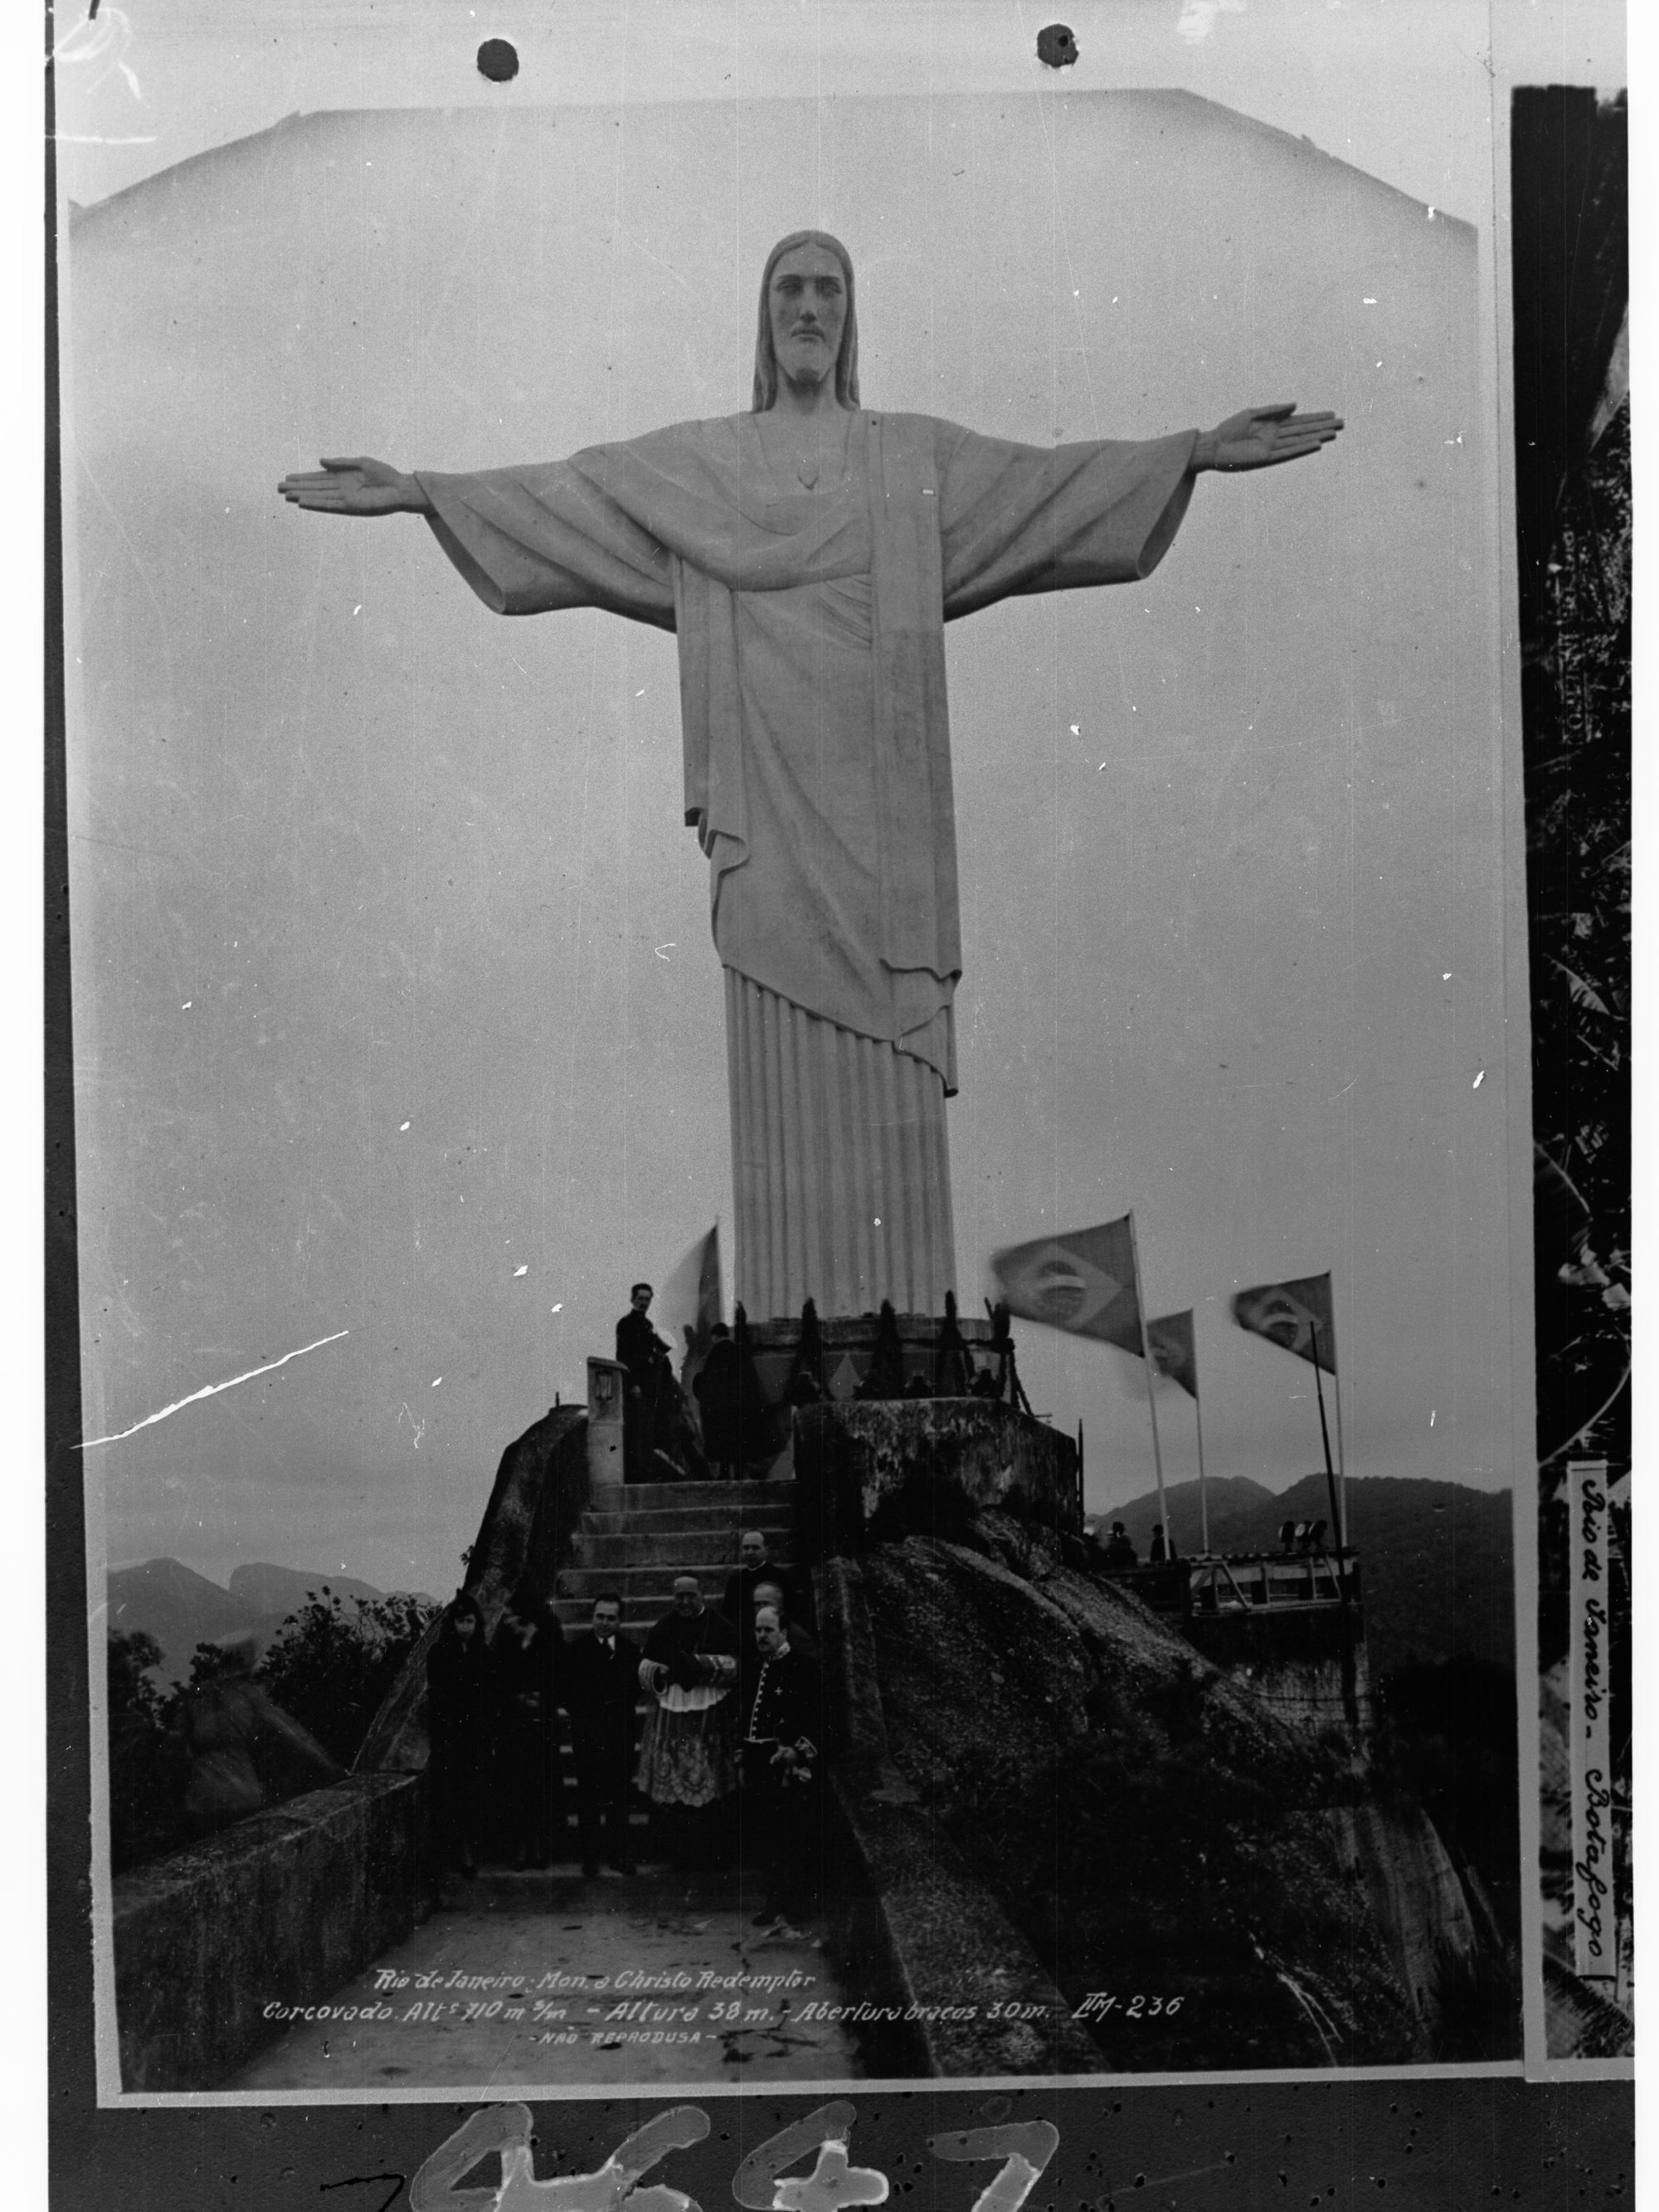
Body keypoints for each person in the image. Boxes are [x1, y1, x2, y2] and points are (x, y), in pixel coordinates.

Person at [279, 234, 1341, 1325]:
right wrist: (421, 494)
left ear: (851, 317)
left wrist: (1192, 455)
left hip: (882, 817)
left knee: (886, 1036)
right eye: (789, 288)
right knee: (777, 1037)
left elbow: (1047, 486)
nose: (808, 308)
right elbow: (573, 501)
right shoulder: (701, 468)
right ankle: (796, 1319)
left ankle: (901, 1323)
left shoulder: (910, 459)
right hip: (768, 798)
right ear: (762, 313)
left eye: (828, 289)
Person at [177, 1633, 344, 1839]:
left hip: (200, 1802)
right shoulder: (248, 1695)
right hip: (242, 1796)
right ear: (247, 1664)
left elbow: (172, 1748)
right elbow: (293, 1735)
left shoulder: (196, 1697)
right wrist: (332, 1769)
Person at [635, 1575, 739, 1868]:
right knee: (672, 1782)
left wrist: (700, 1665)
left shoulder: (720, 1626)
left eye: (690, 1596)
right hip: (672, 1709)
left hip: (709, 1708)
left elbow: (736, 1663)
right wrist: (661, 1671)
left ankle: (710, 1854)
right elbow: (645, 1664)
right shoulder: (664, 1626)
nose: (684, 1602)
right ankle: (673, 1853)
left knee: (709, 1778)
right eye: (679, 1596)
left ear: (702, 1595)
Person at [739, 1602, 827, 1927]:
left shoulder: (802, 1667)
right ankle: (773, 1903)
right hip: (758, 1764)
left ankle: (796, 1908)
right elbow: (747, 1716)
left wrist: (799, 1752)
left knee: (792, 1839)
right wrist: (742, 1755)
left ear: (784, 1632)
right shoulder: (755, 1666)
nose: (761, 1636)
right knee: (765, 1839)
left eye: (768, 1630)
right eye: (758, 1630)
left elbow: (819, 1720)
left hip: (788, 1766)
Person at [489, 1585, 566, 1869]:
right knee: (516, 1787)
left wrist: (542, 1698)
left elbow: (560, 1671)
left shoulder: (550, 1633)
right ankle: (521, 1847)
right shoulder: (506, 1640)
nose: (506, 1618)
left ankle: (541, 1846)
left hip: (542, 1720)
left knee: (543, 1786)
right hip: (515, 1722)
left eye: (511, 1613)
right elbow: (498, 1677)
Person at [562, 1594, 639, 1877]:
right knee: (589, 1797)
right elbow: (566, 1691)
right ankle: (590, 1857)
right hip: (589, 1735)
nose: (604, 1623)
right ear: (592, 1617)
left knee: (619, 1796)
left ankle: (619, 1855)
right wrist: (586, 1716)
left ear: (620, 1620)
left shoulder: (631, 1651)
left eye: (611, 1617)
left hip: (620, 1734)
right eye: (600, 1616)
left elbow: (637, 1690)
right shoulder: (576, 1651)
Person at [426, 1591, 490, 1874]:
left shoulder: (484, 1653)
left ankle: (471, 1853)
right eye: (460, 1621)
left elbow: (491, 1694)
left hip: (475, 1736)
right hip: (450, 1736)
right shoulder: (439, 1653)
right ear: (451, 1624)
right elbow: (438, 1696)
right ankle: (457, 1856)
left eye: (469, 1621)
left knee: (473, 1797)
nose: (465, 1627)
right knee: (451, 1797)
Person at [722, 1528, 814, 1635]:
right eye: (746, 1548)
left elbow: (792, 1611)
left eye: (755, 1548)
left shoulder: (780, 1576)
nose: (750, 1552)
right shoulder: (735, 1580)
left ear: (766, 1550)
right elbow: (728, 1615)